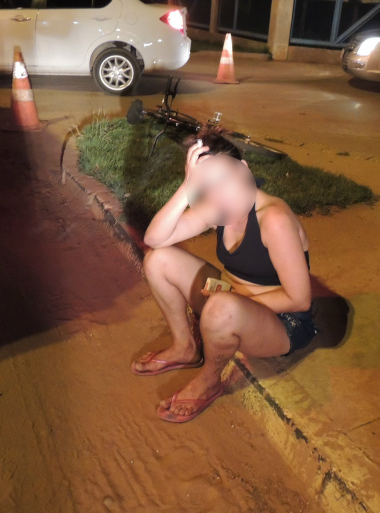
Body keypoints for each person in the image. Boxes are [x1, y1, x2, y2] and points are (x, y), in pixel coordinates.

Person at [132, 128, 317, 423]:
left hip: (282, 323)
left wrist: (231, 298)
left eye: (224, 180)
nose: (218, 196)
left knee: (221, 307)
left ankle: (209, 380)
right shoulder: (218, 206)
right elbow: (155, 239)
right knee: (158, 260)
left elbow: (299, 300)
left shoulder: (274, 219)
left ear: (244, 168)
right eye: (206, 186)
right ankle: (185, 347)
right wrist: (187, 187)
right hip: (230, 301)